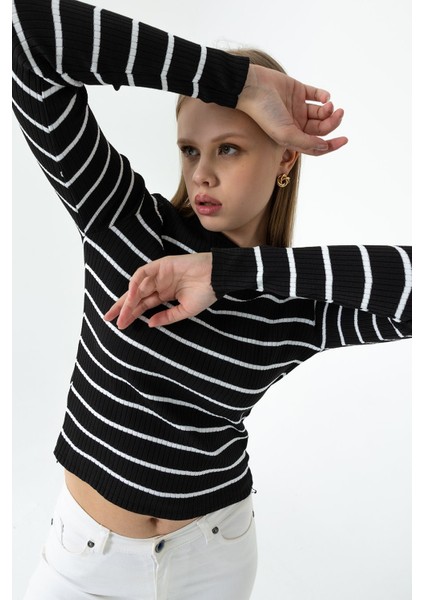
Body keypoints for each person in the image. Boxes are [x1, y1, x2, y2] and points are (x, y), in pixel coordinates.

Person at [12, 0, 412, 598]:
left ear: (285, 156)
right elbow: (34, 38)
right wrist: (240, 85)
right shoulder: (124, 222)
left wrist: (226, 272)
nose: (200, 173)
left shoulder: (293, 298)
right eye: (189, 149)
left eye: (228, 148)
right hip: (84, 562)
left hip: (215, 558)